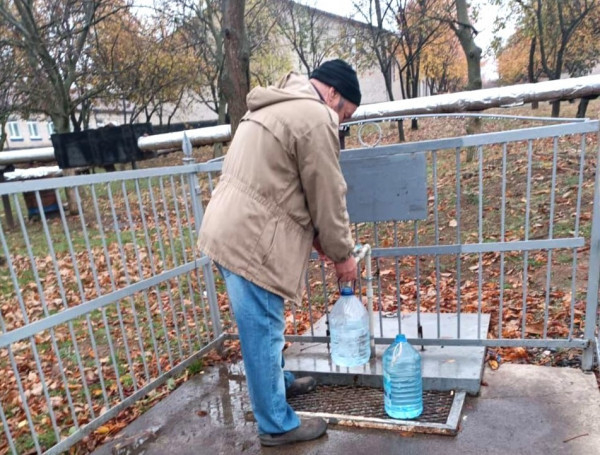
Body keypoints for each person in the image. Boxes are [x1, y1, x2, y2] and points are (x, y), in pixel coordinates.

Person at [197, 59, 361, 446]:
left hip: (228, 227)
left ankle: (278, 386)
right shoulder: (315, 116)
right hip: (250, 238)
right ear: (333, 93)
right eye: (345, 115)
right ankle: (276, 423)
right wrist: (343, 255)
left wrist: (318, 239)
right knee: (263, 333)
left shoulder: (276, 104)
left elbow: (282, 182)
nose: (341, 123)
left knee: (266, 326)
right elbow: (327, 194)